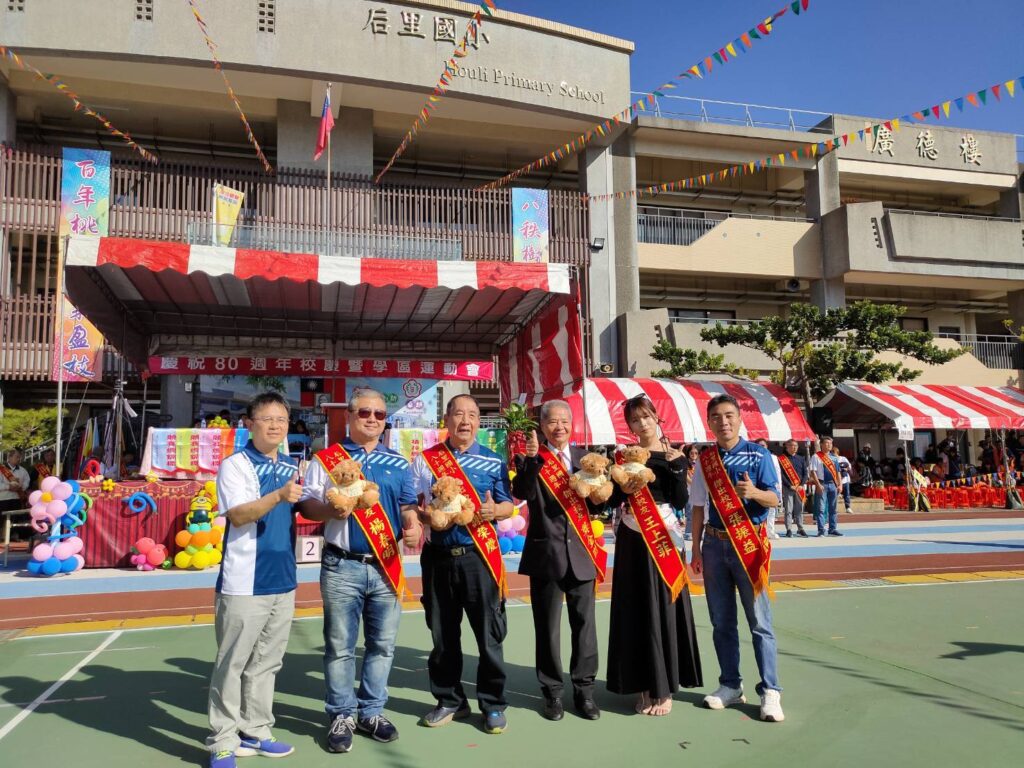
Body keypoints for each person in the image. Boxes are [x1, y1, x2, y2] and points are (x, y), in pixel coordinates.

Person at [297, 388, 422, 753]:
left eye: (379, 414)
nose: (372, 419)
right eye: (364, 412)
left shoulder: (398, 462)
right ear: (350, 416)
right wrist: (331, 511)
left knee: (382, 645)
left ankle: (372, 712)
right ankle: (341, 714)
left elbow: (407, 505)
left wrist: (413, 524)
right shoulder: (327, 459)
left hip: (386, 564)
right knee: (339, 646)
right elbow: (306, 505)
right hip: (341, 565)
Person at [206, 392, 302, 768]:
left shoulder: (292, 464)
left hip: (283, 579)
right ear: (249, 424)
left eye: (281, 419)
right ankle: (223, 741)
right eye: (267, 419)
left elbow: (306, 507)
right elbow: (239, 515)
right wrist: (278, 495)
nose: (275, 425)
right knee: (231, 664)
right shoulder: (235, 466)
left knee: (267, 663)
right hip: (244, 581)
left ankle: (256, 730)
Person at [412, 394, 515, 734]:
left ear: (478, 421)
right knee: (442, 634)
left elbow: (508, 505)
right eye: (458, 414)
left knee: (488, 635)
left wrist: (494, 511)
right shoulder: (426, 461)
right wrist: (424, 518)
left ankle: (493, 704)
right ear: (447, 419)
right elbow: (413, 504)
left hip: (478, 557)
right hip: (438, 558)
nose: (465, 421)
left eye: (472, 414)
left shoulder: (493, 460)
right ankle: (450, 700)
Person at [607, 395, 702, 717]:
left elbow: (680, 500)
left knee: (663, 607)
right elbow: (613, 501)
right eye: (635, 420)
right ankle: (642, 686)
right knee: (634, 608)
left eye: (646, 416)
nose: (642, 423)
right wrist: (618, 486)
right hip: (632, 537)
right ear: (629, 426)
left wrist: (676, 469)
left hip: (663, 537)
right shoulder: (623, 457)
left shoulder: (675, 454)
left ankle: (664, 688)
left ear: (657, 417)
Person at [690, 394, 783, 722]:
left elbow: (775, 498)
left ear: (740, 418)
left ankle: (770, 690)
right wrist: (695, 548)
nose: (723, 421)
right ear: (709, 422)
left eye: (729, 415)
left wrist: (754, 493)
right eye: (716, 416)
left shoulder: (759, 455)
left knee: (760, 622)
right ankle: (730, 685)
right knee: (721, 621)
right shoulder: (706, 460)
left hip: (749, 545)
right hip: (714, 546)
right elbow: (698, 506)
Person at [512, 400, 606, 722]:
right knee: (547, 629)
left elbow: (597, 506)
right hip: (545, 556)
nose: (559, 427)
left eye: (565, 421)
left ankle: (585, 691)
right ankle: (552, 692)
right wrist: (531, 461)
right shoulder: (531, 457)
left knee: (585, 627)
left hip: (582, 554)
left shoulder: (586, 459)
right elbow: (523, 492)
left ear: (572, 423)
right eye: (552, 421)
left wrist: (600, 494)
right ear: (542, 425)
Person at [810, 436, 843, 537]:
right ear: (822, 444)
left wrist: (840, 484)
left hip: (833, 484)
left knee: (833, 508)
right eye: (827, 443)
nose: (829, 445)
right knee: (821, 508)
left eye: (831, 443)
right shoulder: (816, 456)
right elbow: (813, 472)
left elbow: (838, 472)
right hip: (822, 484)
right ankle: (821, 530)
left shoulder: (834, 457)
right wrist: (818, 484)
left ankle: (832, 529)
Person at [777, 440, 808, 538]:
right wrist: (789, 485)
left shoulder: (801, 458)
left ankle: (800, 528)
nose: (794, 447)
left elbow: (805, 473)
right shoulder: (781, 459)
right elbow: (781, 475)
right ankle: (789, 529)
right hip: (788, 488)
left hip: (800, 488)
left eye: (796, 445)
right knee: (788, 509)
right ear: (787, 447)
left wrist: (801, 484)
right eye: (792, 445)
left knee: (799, 509)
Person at [755, 439, 782, 540]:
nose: (761, 447)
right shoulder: (752, 456)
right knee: (758, 511)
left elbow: (778, 473)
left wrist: (779, 489)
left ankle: (770, 531)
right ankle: (758, 531)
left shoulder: (773, 457)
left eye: (763, 445)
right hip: (757, 488)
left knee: (771, 511)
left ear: (767, 446)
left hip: (771, 487)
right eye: (759, 445)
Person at [0, 449, 31, 514]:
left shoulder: (23, 470)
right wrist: (8, 487)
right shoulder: (1, 469)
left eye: (20, 457)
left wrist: (21, 487)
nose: (19, 459)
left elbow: (27, 481)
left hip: (17, 499)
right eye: (17, 457)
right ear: (9, 457)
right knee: (3, 519)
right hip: (3, 500)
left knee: (16, 518)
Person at [683, 444, 699, 540]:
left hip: (699, 492)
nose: (694, 455)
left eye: (696, 453)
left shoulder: (698, 464)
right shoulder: (685, 464)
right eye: (692, 453)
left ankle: (697, 532)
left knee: (700, 514)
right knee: (690, 513)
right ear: (688, 453)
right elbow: (686, 478)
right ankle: (688, 533)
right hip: (689, 492)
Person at [832, 446, 853, 515]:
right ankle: (834, 508)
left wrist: (845, 469)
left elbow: (849, 466)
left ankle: (848, 507)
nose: (833, 454)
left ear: (837, 452)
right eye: (832, 453)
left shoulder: (843, 458)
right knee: (835, 495)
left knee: (846, 494)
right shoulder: (831, 460)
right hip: (836, 480)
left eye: (834, 452)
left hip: (845, 480)